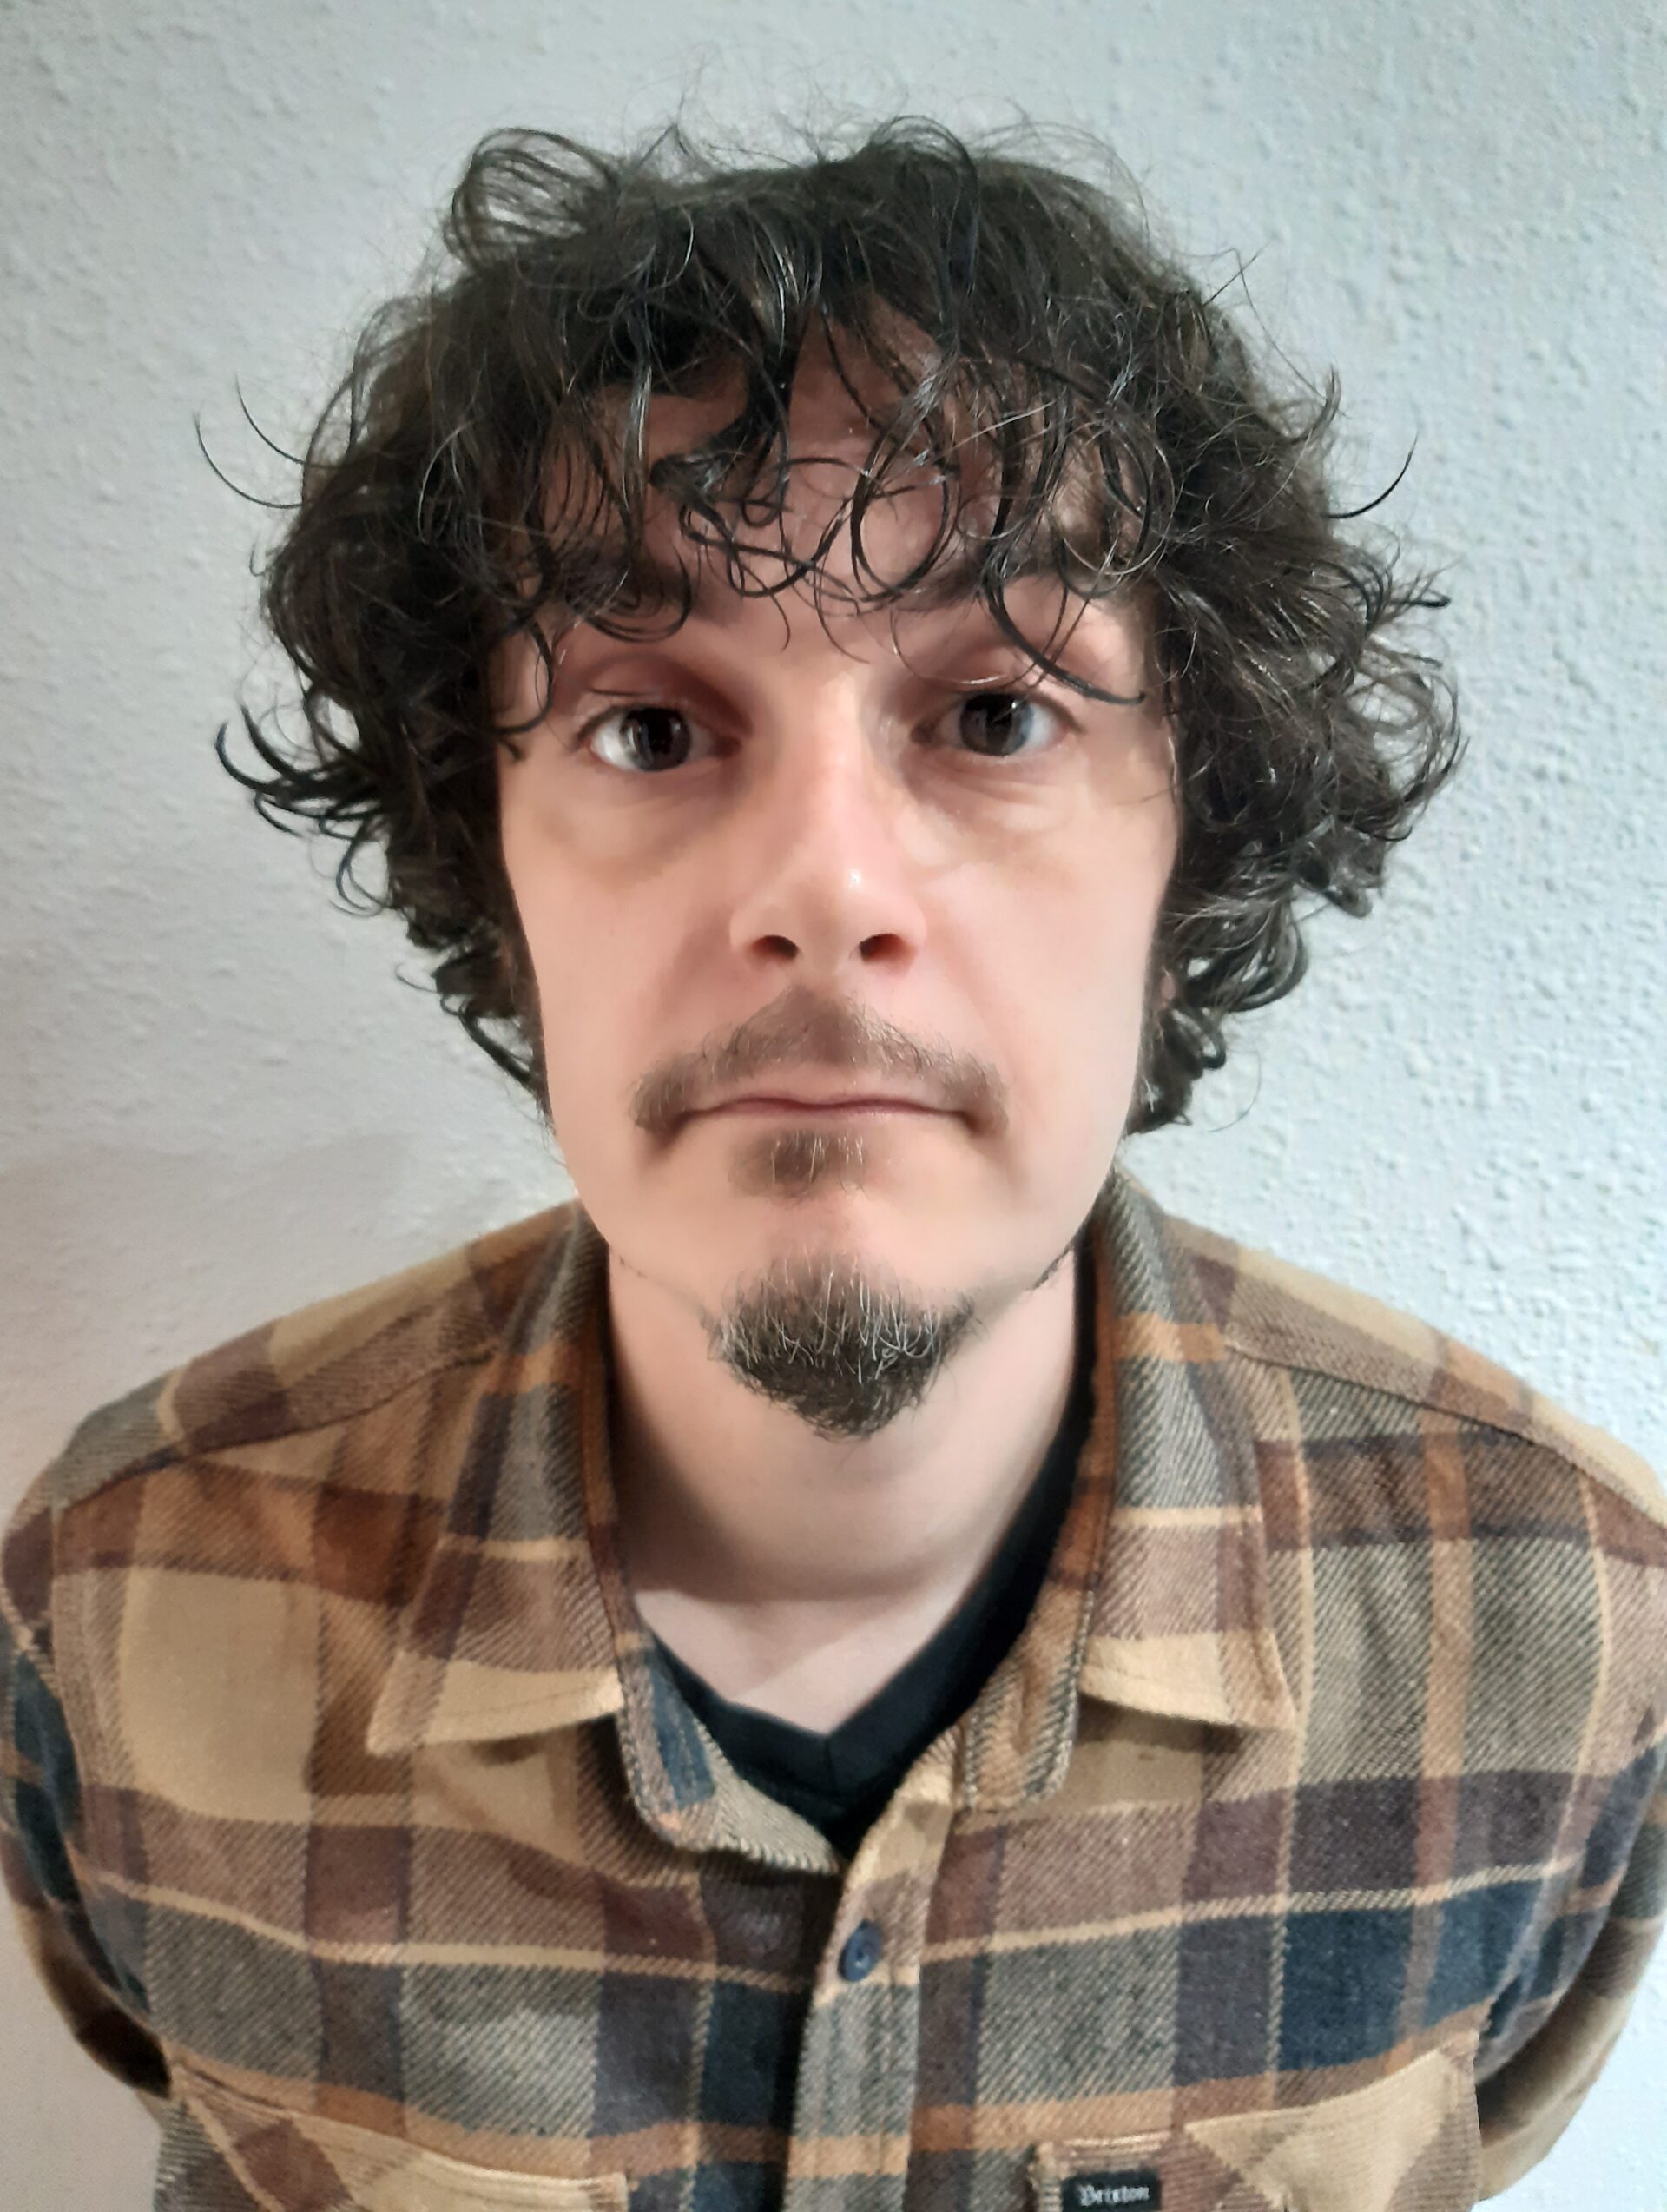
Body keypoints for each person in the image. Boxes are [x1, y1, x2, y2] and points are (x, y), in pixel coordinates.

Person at [2, 115, 1662, 2212]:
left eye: (994, 716)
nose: (825, 890)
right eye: (649, 728)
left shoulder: (1563, 1630)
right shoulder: (124, 1593)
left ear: (1194, 842)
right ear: (491, 860)